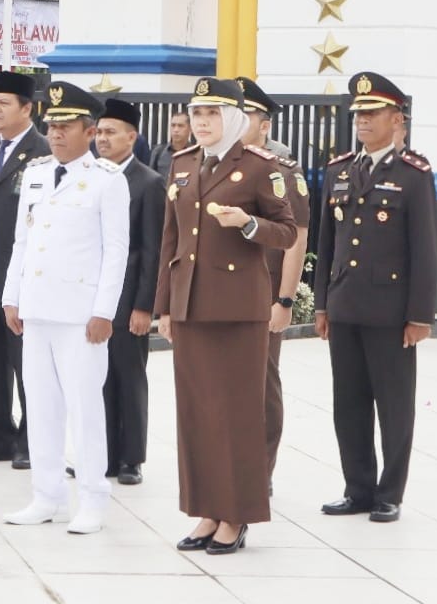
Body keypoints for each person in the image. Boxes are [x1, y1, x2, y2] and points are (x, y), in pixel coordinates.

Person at [155, 77, 296, 556]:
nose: (202, 122)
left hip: (237, 308)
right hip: (191, 304)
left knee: (235, 415)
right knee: (197, 414)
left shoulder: (258, 166)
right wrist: (165, 307)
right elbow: (170, 241)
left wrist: (249, 223)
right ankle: (207, 510)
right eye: (197, 114)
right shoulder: (182, 164)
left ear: (234, 118)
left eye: (212, 114)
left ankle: (236, 515)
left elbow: (287, 232)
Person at [0, 82, 128, 531]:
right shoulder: (36, 173)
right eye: (52, 125)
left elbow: (116, 250)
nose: (55, 133)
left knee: (84, 408)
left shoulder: (107, 180)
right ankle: (46, 495)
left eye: (66, 126)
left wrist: (104, 311)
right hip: (37, 308)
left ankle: (92, 498)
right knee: (40, 407)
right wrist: (11, 296)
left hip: (80, 313)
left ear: (89, 131)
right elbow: (23, 238)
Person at [315, 73, 437, 524]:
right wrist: (323, 304)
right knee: (348, 404)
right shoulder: (339, 170)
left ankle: (390, 492)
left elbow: (425, 249)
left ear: (396, 119)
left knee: (394, 405)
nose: (363, 121)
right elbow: (327, 242)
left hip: (390, 310)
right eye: (359, 115)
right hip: (345, 304)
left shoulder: (413, 174)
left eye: (372, 114)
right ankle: (358, 488)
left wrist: (420, 315)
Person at [0, 70, 49, 469]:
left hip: (22, 276)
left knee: (26, 365)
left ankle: (31, 442)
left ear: (27, 108)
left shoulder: (44, 152)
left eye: (3, 104)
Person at [237, 77, 311, 490]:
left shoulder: (283, 172)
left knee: (261, 384)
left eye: (245, 116)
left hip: (263, 292)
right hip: (220, 293)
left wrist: (284, 300)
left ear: (265, 125)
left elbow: (296, 239)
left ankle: (258, 472)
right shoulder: (211, 168)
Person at [93, 97, 165, 486]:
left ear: (131, 137)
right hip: (92, 299)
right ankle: (102, 454)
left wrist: (144, 306)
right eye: (99, 132)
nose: (102, 139)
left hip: (127, 301)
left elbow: (153, 250)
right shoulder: (89, 176)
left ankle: (131, 459)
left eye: (111, 132)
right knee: (96, 379)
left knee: (129, 379)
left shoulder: (148, 182)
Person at [150, 112, 192, 177]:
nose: (176, 130)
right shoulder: (158, 152)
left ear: (190, 129)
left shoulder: (196, 154)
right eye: (173, 125)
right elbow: (151, 178)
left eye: (180, 126)